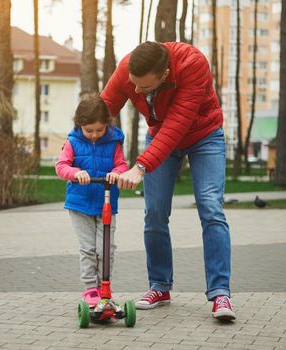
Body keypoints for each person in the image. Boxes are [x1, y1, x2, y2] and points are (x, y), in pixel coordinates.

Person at [100, 41, 236, 320]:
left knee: (211, 207)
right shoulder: (128, 67)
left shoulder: (193, 64)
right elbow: (101, 109)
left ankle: (220, 293)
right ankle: (160, 286)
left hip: (204, 136)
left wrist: (140, 167)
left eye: (144, 87)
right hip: (160, 136)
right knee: (155, 213)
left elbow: (177, 123)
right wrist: (74, 145)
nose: (136, 91)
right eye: (133, 85)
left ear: (164, 74)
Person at [55, 93, 129, 307]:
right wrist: (75, 173)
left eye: (99, 129)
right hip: (80, 205)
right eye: (89, 130)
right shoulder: (73, 142)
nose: (94, 135)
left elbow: (121, 165)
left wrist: (117, 172)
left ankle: (105, 287)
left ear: (107, 124)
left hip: (107, 203)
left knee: (106, 249)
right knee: (88, 248)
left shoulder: (114, 142)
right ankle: (91, 290)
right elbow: (61, 167)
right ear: (80, 126)